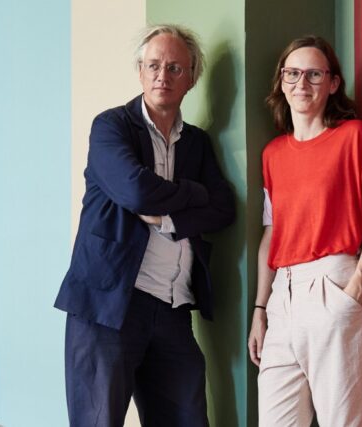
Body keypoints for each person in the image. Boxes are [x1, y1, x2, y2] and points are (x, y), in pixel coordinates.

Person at [54, 24, 235, 427]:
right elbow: (136, 192)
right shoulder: (111, 126)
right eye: (153, 65)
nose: (162, 75)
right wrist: (194, 192)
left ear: (191, 78)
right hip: (108, 306)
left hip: (172, 308)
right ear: (139, 71)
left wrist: (168, 216)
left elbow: (223, 208)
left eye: (174, 68)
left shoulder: (197, 143)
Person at [247, 35, 362, 427]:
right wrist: (260, 309)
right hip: (282, 299)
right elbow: (271, 234)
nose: (302, 83)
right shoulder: (273, 154)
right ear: (281, 82)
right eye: (292, 73)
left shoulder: (354, 137)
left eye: (314, 74)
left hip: (334, 285)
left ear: (332, 83)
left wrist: (356, 288)